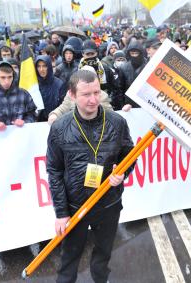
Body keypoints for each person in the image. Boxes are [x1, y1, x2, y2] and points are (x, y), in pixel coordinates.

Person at [46, 70, 135, 283]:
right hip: (75, 207)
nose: (93, 99)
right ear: (72, 95)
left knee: (103, 256)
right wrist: (61, 212)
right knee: (69, 261)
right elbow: (54, 171)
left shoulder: (117, 122)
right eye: (86, 94)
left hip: (108, 203)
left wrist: (122, 172)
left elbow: (130, 156)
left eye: (97, 92)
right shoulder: (59, 128)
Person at [35, 55, 67, 121]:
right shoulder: (34, 85)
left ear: (49, 67)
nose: (41, 69)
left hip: (55, 120)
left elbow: (63, 106)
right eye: (39, 66)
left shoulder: (59, 84)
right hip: (38, 123)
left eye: (44, 66)